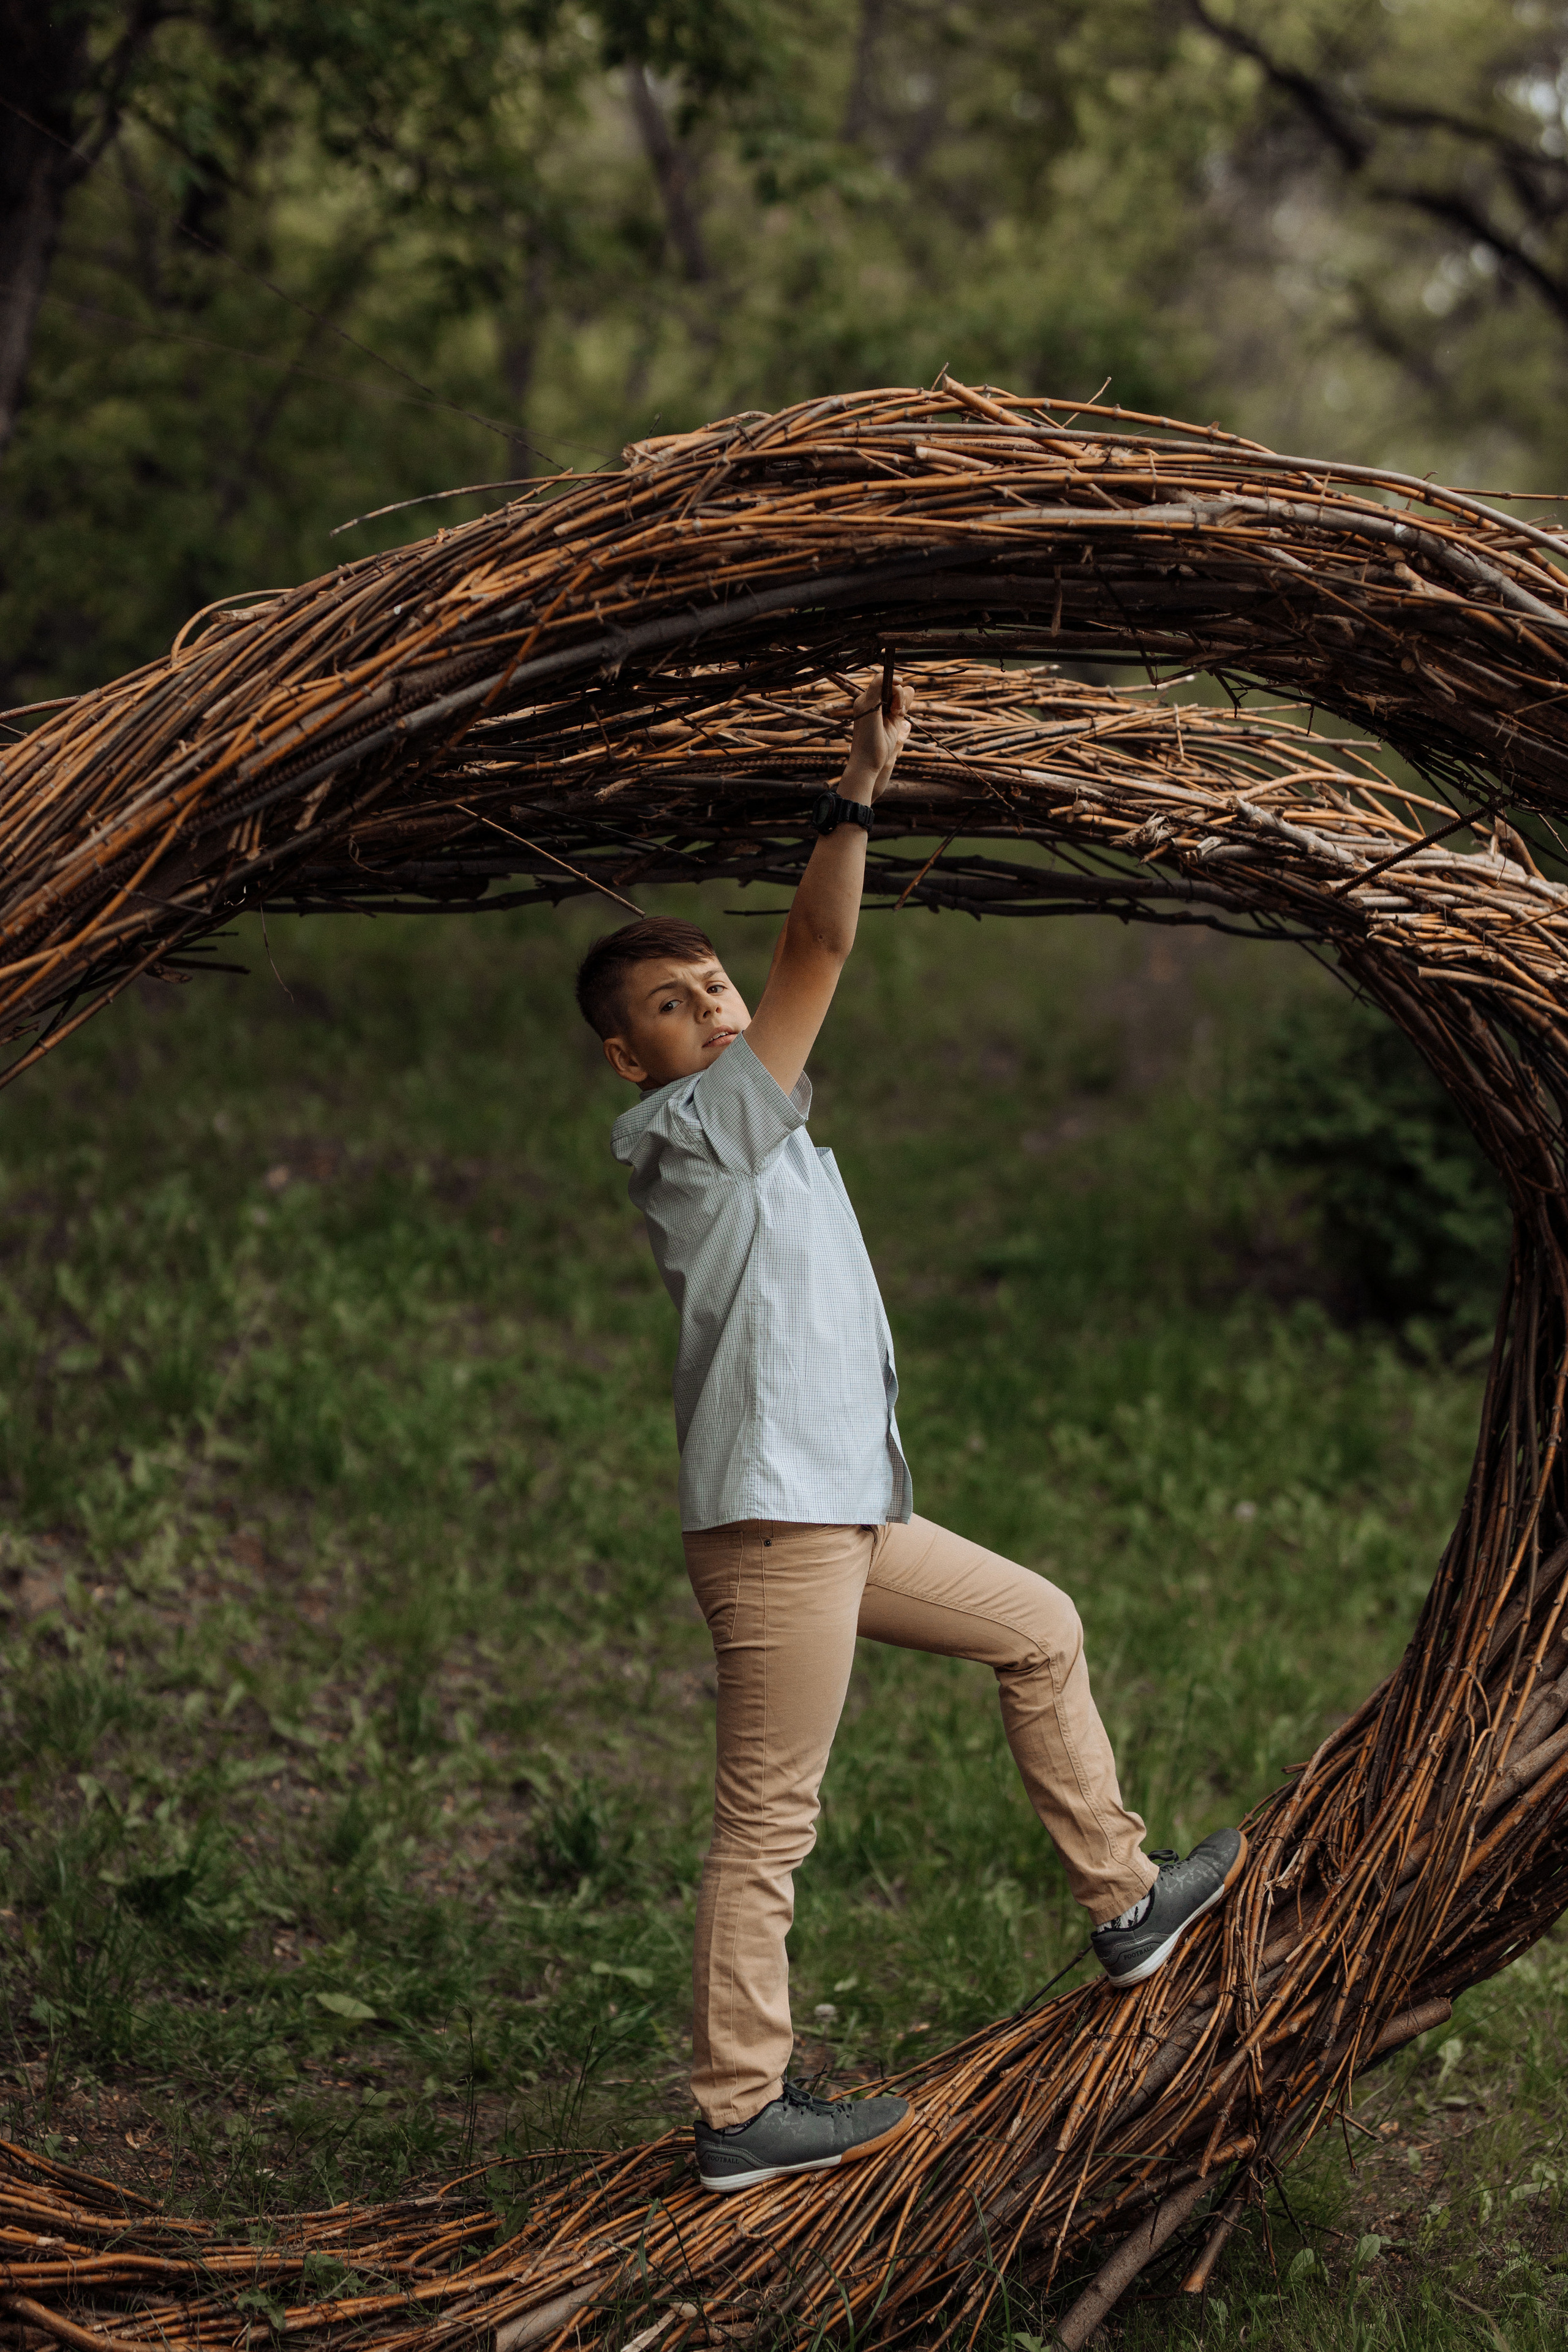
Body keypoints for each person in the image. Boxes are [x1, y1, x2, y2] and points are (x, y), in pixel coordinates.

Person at [574, 671, 1246, 2195]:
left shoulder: (774, 1123)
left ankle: (1125, 1902)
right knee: (769, 1821)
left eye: (713, 986)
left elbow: (788, 984)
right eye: (672, 1005)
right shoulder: (689, 1133)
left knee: (1038, 1626)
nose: (714, 1006)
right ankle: (741, 2107)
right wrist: (857, 786)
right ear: (630, 1060)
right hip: (773, 1529)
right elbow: (816, 941)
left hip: (845, 1512)